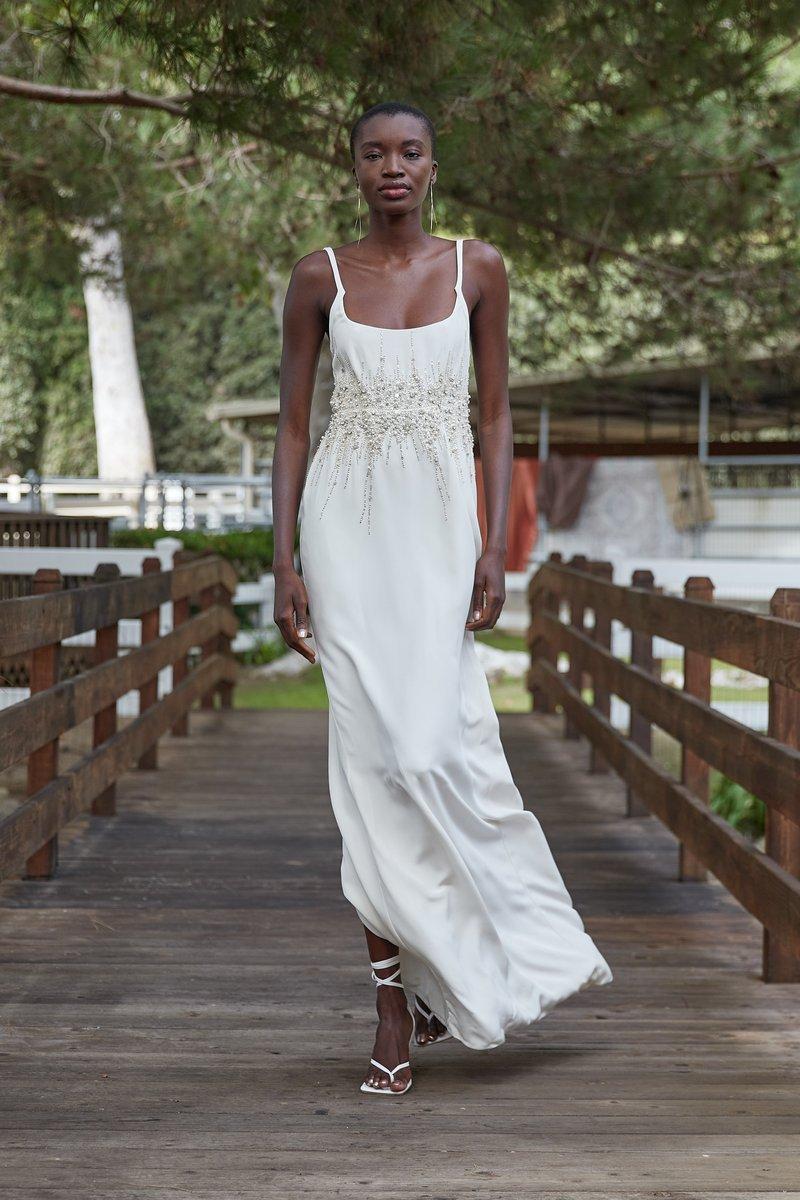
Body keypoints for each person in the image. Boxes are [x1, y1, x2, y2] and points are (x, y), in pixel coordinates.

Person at [271, 100, 612, 1097]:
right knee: (371, 766)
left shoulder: (479, 268)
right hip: (344, 527)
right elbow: (293, 427)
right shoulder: (316, 278)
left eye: (407, 152)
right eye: (373, 152)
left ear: (431, 164)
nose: (391, 167)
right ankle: (388, 997)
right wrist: (282, 557)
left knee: (439, 749)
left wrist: (496, 546)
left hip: (436, 527)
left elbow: (496, 412)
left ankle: (458, 972)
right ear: (353, 167)